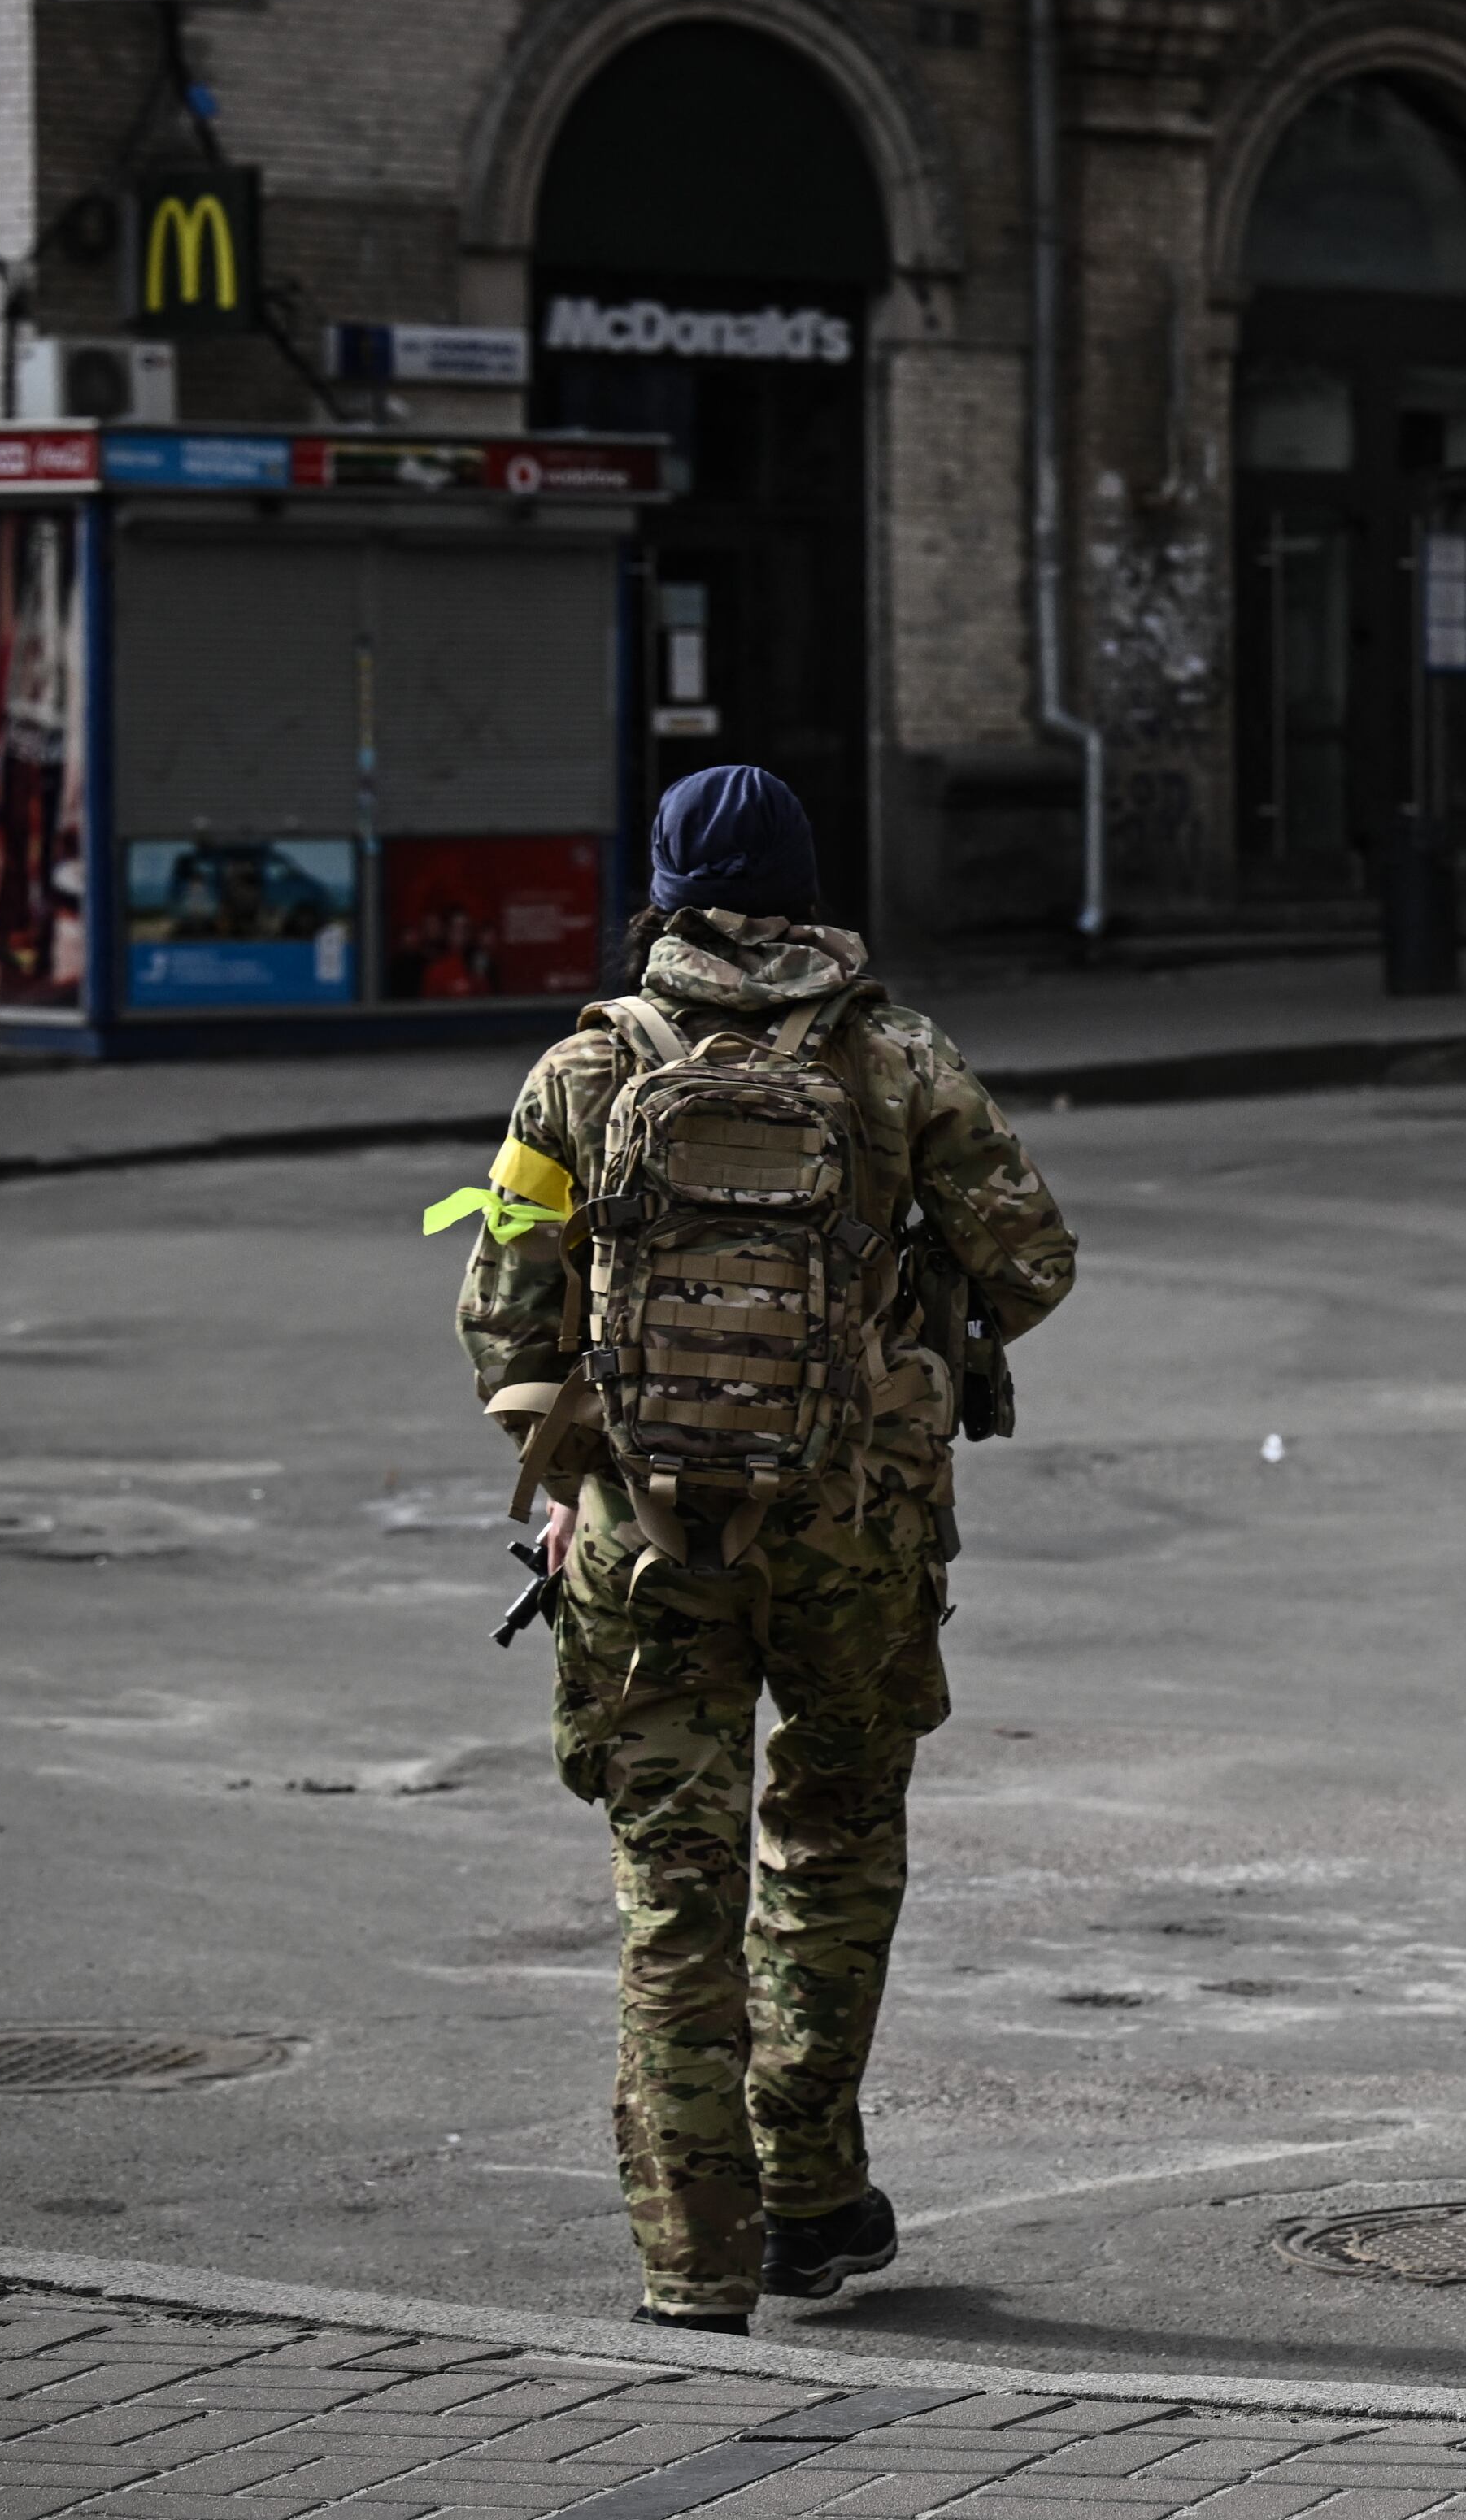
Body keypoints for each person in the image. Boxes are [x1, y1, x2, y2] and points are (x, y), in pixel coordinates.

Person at [442, 765, 1076, 2333]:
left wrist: (583, 1457)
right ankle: (807, 2194)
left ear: (658, 889)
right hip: (853, 1530)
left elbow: (500, 1320)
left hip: (642, 1542)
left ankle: (694, 2256)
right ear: (807, 889)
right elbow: (1037, 1261)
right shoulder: (898, 1059)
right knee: (837, 1841)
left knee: (675, 1883)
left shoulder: (582, 1073)